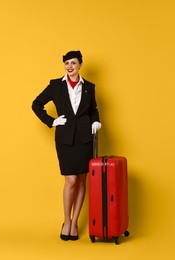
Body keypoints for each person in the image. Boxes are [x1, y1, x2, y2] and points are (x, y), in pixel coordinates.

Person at [32, 50, 101, 241]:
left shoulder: (89, 87)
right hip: (65, 139)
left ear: (80, 65)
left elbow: (93, 110)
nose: (69, 67)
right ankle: (66, 220)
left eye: (73, 63)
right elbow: (36, 104)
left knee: (81, 181)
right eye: (66, 63)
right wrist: (51, 121)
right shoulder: (56, 86)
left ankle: (75, 221)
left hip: (85, 139)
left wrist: (96, 121)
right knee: (71, 181)